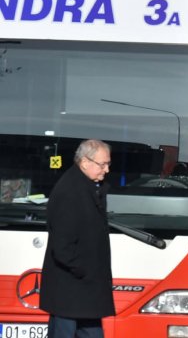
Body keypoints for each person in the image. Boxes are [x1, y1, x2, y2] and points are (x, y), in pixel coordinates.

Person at [41, 139, 115, 338]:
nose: (106, 170)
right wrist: (84, 270)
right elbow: (62, 246)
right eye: (102, 164)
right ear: (84, 162)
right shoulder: (70, 191)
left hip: (83, 290)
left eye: (108, 164)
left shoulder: (87, 186)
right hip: (72, 289)